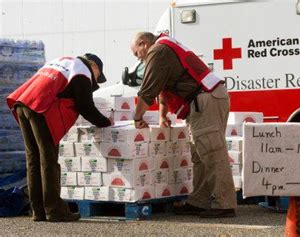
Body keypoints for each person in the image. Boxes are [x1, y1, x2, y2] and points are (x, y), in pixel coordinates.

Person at [130, 32, 237, 218]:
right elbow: (163, 89)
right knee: (200, 153)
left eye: (136, 53)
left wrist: (137, 117)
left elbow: (148, 90)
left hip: (204, 101)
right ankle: (199, 201)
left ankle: (225, 204)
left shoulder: (157, 51)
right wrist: (163, 117)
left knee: (212, 152)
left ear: (143, 43)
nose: (138, 58)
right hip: (206, 99)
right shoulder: (165, 47)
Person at [6, 53, 113, 222]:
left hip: (23, 103)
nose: (95, 80)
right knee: (48, 160)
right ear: (93, 65)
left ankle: (38, 211)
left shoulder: (62, 61)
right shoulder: (81, 70)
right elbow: (85, 106)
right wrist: (107, 123)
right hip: (39, 107)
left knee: (33, 160)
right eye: (98, 75)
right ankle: (55, 210)